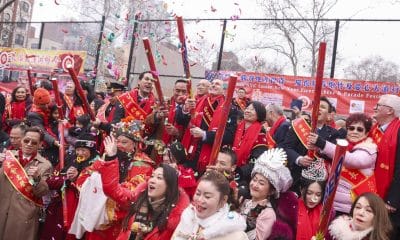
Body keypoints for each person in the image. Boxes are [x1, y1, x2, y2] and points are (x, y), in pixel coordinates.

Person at [96, 139, 190, 240]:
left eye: (159, 178)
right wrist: (111, 158)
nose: (152, 180)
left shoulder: (176, 221)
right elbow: (113, 190)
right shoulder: (139, 197)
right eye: (152, 176)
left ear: (169, 185)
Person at [308, 113, 377, 215]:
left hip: (353, 207)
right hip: (332, 203)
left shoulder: (369, 149)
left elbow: (351, 160)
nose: (354, 132)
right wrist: (317, 148)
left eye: (359, 129)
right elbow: (334, 156)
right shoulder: (344, 145)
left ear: (366, 133)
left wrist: (322, 143)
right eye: (351, 128)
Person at [283, 96, 345, 195]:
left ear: (329, 116)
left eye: (323, 107)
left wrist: (319, 147)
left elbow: (334, 157)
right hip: (296, 180)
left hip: (319, 184)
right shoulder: (297, 126)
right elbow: (286, 147)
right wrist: (299, 159)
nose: (318, 108)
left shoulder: (334, 134)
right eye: (316, 106)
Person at [0, 126, 52, 240]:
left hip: (24, 215)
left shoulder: (45, 165)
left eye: (34, 142)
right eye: (26, 140)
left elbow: (42, 193)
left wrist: (37, 179)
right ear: (22, 140)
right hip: (2, 208)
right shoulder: (7, 157)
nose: (29, 144)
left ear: (40, 144)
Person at [179, 79, 238, 173]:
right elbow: (181, 121)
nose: (213, 85)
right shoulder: (197, 101)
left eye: (217, 84)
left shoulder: (230, 108)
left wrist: (204, 134)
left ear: (224, 90)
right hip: (189, 152)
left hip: (210, 157)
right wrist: (186, 109)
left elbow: (229, 136)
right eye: (212, 83)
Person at [172, 170, 248, 240]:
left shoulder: (235, 236)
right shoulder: (188, 218)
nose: (200, 200)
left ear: (223, 200)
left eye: (207, 196)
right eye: (198, 194)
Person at [240, 148, 297, 240]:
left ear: (271, 191)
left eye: (261, 183)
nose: (255, 185)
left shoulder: (268, 213)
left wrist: (253, 215)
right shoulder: (246, 202)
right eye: (254, 180)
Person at [369, 94, 400, 239]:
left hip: (391, 202)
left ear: (390, 111)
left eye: (378, 105)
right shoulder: (374, 129)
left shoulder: (398, 131)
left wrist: (392, 199)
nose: (375, 107)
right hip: (371, 192)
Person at [327, 192, 392, 240]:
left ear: (378, 216)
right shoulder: (335, 231)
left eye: (368, 210)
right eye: (358, 207)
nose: (360, 213)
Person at [296, 159, 327, 240]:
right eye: (309, 193)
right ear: (301, 189)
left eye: (318, 194)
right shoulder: (291, 210)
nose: (313, 199)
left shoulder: (326, 214)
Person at [232, 101, 268, 167]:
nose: (248, 111)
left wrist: (239, 172)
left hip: (243, 173)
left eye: (252, 109)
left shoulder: (260, 136)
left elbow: (256, 161)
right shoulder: (236, 128)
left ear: (259, 114)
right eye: (247, 108)